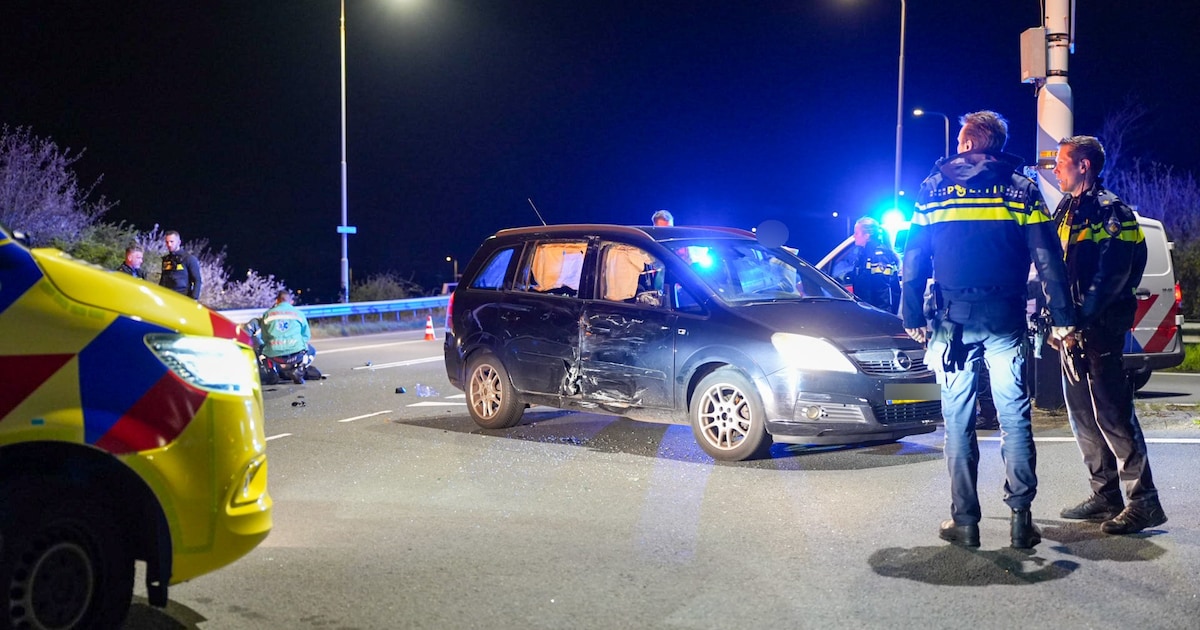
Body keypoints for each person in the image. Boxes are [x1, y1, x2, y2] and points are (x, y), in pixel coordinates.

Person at [901, 110, 1076, 550]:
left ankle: (966, 523)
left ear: (966, 143)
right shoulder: (1022, 189)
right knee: (1014, 418)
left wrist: (911, 316)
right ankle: (1021, 520)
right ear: (996, 146)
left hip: (951, 322)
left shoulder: (933, 189)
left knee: (957, 421)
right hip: (1005, 318)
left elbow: (913, 261)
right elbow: (1048, 259)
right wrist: (1064, 317)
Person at [1051, 135, 1167, 535]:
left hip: (1098, 330)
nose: (1055, 169)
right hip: (1071, 332)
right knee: (1083, 415)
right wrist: (1056, 320)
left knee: (1114, 416)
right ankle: (1106, 495)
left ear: (1084, 165)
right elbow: (1056, 267)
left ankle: (1144, 502)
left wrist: (1079, 319)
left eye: (1062, 162)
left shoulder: (1111, 211)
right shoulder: (1066, 210)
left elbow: (1113, 276)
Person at [831, 217, 901, 314]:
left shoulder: (879, 256)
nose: (854, 236)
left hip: (877, 313)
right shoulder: (864, 254)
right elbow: (863, 278)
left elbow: (883, 291)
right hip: (868, 310)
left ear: (867, 235)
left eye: (856, 233)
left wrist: (884, 316)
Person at [260, 289, 312, 384]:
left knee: (261, 351)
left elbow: (264, 336)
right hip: (296, 354)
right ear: (290, 301)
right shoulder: (299, 314)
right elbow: (306, 336)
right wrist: (300, 345)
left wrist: (271, 345)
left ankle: (272, 373)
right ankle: (299, 370)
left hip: (274, 356)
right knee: (311, 350)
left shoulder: (267, 314)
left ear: (277, 300)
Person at [159, 230, 203, 299]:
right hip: (167, 297)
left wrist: (194, 298)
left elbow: (197, 280)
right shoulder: (166, 260)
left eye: (172, 242)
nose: (169, 245)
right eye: (167, 242)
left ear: (179, 242)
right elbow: (163, 279)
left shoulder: (189, 259)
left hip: (182, 297)